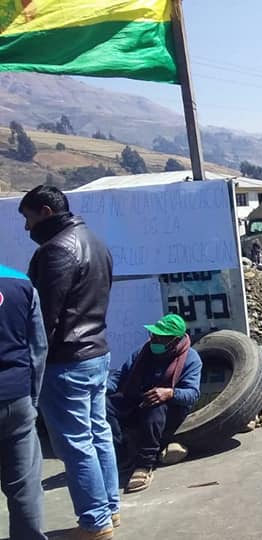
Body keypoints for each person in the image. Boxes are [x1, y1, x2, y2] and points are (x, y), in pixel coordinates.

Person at [18, 185, 119, 538]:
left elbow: (44, 316)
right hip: (96, 353)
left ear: (45, 212)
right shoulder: (94, 241)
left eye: (28, 219)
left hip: (66, 361)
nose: (27, 228)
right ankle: (110, 509)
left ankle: (95, 523)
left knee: (76, 443)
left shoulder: (56, 250)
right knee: (98, 433)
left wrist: (30, 360)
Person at [106, 314, 201, 493]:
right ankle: (122, 455)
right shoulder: (143, 352)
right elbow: (120, 377)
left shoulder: (191, 359)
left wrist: (170, 393)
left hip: (167, 410)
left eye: (161, 338)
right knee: (105, 405)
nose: (154, 340)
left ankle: (145, 464)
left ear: (175, 340)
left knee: (155, 405)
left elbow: (192, 394)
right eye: (154, 335)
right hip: (139, 400)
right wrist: (101, 389)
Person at [0, 263, 47, 540]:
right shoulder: (21, 283)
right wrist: (33, 398)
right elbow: (38, 348)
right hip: (17, 398)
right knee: (25, 486)